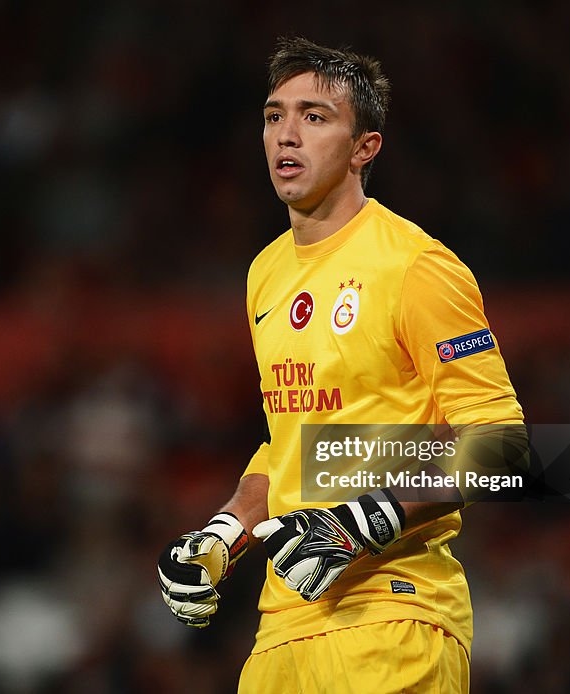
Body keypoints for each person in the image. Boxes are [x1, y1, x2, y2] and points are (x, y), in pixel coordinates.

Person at [158, 37, 528, 693]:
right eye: (275, 116)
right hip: (281, 635)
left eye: (314, 116)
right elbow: (291, 445)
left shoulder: (416, 266)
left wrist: (363, 521)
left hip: (395, 619)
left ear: (366, 148)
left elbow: (499, 445)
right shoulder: (265, 273)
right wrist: (221, 537)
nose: (286, 135)